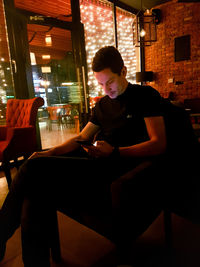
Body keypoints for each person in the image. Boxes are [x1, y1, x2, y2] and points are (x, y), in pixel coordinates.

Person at [0, 46, 198, 267]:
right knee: (35, 187)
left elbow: (158, 143)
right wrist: (49, 152)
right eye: (101, 84)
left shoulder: (145, 95)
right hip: (96, 166)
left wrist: (114, 152)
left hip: (122, 172)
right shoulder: (102, 105)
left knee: (32, 170)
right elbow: (81, 137)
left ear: (123, 72)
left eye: (110, 82)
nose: (106, 90)